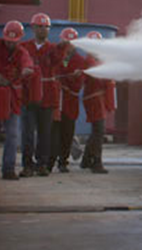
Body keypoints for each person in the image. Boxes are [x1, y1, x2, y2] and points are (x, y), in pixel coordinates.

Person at [20, 13, 63, 177]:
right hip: (29, 96)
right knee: (28, 134)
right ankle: (27, 165)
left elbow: (60, 64)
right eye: (40, 26)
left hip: (48, 97)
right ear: (33, 28)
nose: (44, 30)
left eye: (46, 27)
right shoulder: (24, 47)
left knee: (45, 134)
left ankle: (42, 164)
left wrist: (63, 50)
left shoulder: (53, 49)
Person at [0, 21, 34, 180]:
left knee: (12, 134)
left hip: (12, 99)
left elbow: (27, 63)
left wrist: (27, 69)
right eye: (8, 40)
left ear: (19, 40)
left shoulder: (22, 53)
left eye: (14, 41)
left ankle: (9, 169)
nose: (10, 43)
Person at [50, 27, 85, 173]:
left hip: (70, 103)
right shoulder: (56, 57)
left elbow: (78, 86)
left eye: (71, 43)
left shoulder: (79, 61)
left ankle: (63, 161)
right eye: (66, 42)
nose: (68, 46)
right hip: (56, 103)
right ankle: (49, 161)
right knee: (53, 134)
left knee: (67, 134)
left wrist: (71, 78)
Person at [81, 31, 115, 174]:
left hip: (97, 99)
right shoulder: (89, 61)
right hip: (94, 100)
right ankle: (96, 162)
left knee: (96, 131)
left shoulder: (98, 60)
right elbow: (98, 78)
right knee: (99, 131)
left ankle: (86, 160)